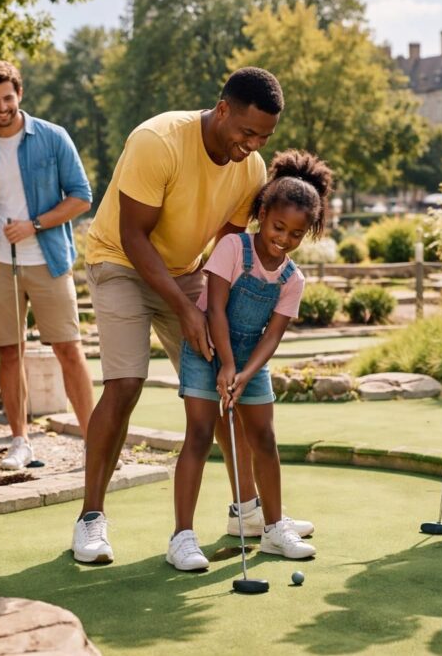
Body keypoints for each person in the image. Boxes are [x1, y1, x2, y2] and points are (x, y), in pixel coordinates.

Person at [73, 67, 311, 564]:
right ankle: (91, 518)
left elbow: (228, 246)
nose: (253, 145)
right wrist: (185, 309)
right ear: (222, 110)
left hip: (184, 271)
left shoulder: (250, 169)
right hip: (119, 261)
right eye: (247, 132)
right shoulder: (158, 141)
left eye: (264, 137)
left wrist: (213, 312)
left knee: (222, 384)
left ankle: (248, 510)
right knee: (126, 384)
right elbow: (133, 236)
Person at [167, 151, 327, 570]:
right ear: (262, 214)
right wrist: (225, 365)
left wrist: (245, 372)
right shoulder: (232, 248)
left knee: (265, 439)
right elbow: (216, 309)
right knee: (199, 435)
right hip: (206, 349)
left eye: (296, 233)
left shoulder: (292, 279)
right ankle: (182, 537)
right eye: (278, 227)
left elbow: (272, 336)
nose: (284, 239)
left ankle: (273, 528)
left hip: (252, 358)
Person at [0, 60, 95, 470]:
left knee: (68, 349)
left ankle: (94, 441)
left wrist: (34, 224)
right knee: (10, 352)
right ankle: (20, 442)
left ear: (20, 94)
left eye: (7, 97)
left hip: (48, 259)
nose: (1, 107)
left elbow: (81, 197)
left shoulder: (53, 137)